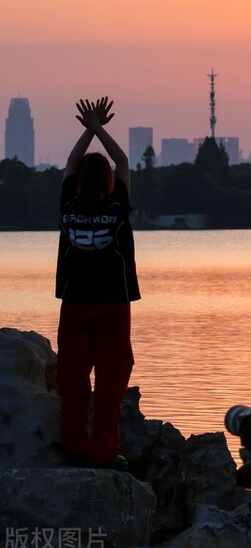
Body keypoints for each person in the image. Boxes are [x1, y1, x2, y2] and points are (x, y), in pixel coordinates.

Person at [55, 96, 140, 470]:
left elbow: (71, 163)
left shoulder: (69, 207)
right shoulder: (116, 207)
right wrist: (98, 128)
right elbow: (122, 161)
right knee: (111, 381)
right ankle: (104, 451)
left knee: (72, 378)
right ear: (109, 182)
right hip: (113, 304)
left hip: (74, 302)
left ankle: (74, 449)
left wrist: (88, 130)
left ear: (78, 183)